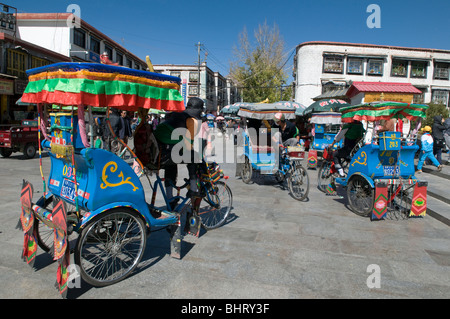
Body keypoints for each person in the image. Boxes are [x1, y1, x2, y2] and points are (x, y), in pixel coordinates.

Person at [153, 97, 204, 204]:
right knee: (193, 157)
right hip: (168, 150)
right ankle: (194, 188)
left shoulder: (177, 115)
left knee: (171, 166)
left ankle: (170, 197)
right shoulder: (192, 120)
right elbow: (188, 143)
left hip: (160, 152)